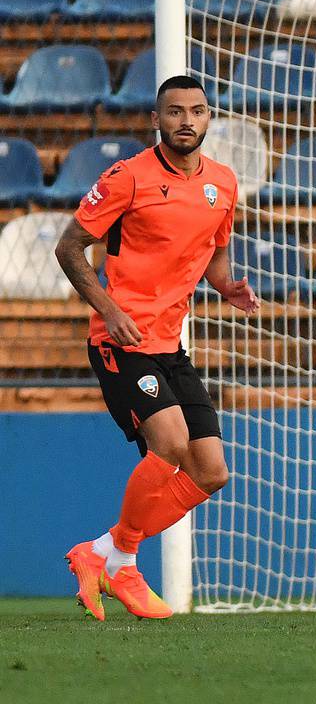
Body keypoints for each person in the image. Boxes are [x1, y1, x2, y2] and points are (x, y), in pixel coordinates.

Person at [55, 74, 257, 621]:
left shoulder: (223, 183)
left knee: (211, 470)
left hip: (169, 342)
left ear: (209, 118)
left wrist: (226, 285)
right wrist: (109, 309)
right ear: (156, 119)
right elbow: (69, 246)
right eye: (174, 111)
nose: (186, 120)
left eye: (196, 110)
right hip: (119, 339)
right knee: (168, 443)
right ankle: (122, 561)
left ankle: (102, 553)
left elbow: (215, 248)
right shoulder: (128, 177)